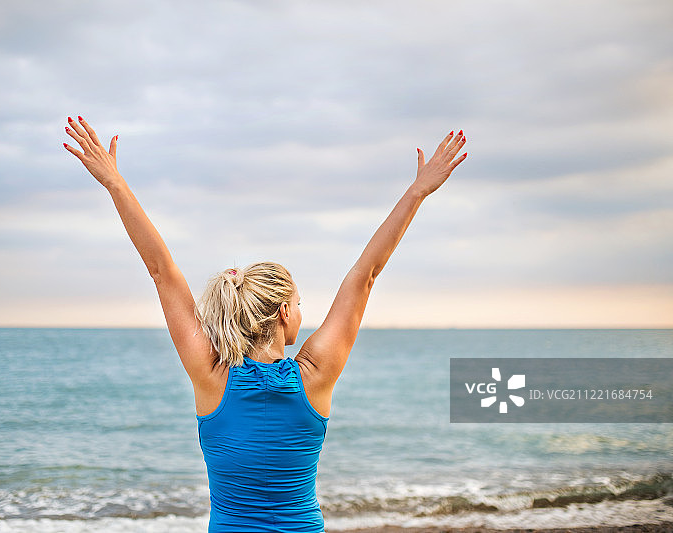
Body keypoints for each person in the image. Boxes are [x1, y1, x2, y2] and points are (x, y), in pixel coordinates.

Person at [63, 116, 466, 532]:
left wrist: (115, 183)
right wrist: (418, 191)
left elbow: (161, 271)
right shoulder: (315, 376)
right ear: (284, 314)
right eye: (299, 303)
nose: (302, 313)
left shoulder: (211, 375)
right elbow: (365, 275)